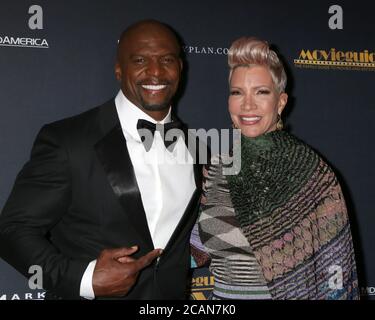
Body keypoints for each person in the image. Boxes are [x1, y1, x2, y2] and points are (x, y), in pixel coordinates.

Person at [0, 20, 204, 300]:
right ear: (119, 69)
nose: (156, 71)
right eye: (140, 60)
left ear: (180, 68)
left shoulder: (198, 149)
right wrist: (83, 280)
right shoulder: (68, 141)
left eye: (167, 59)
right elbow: (12, 231)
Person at [190, 37, 359, 300]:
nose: (247, 105)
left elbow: (335, 268)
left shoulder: (311, 173)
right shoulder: (216, 167)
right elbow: (198, 251)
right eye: (237, 92)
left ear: (280, 103)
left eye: (261, 92)